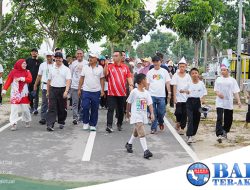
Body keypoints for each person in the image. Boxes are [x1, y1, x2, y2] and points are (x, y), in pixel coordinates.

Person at [125, 73, 154, 159]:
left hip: (143, 115)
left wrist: (152, 113)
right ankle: (146, 151)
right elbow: (129, 103)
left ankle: (129, 144)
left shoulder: (146, 93)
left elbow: (150, 104)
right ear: (141, 81)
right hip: (136, 115)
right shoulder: (134, 92)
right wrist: (127, 113)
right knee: (141, 131)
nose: (147, 81)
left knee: (136, 131)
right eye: (145, 79)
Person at [104, 51, 134, 133]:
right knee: (110, 109)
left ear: (121, 57)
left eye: (116, 56)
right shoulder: (110, 66)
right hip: (111, 93)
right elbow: (105, 74)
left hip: (122, 93)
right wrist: (106, 65)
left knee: (121, 110)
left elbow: (129, 78)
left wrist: (131, 87)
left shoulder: (125, 67)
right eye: (113, 56)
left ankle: (119, 124)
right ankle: (109, 125)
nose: (114, 57)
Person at [1, 59, 32, 131]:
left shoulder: (27, 72)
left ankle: (27, 120)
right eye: (23, 64)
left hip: (23, 93)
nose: (25, 65)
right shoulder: (13, 72)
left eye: (25, 64)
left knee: (25, 109)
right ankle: (13, 124)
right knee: (14, 109)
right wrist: (4, 90)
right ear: (19, 64)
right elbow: (8, 81)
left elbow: (30, 79)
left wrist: (21, 78)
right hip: (15, 94)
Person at [214, 64, 241, 143]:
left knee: (228, 119)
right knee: (219, 117)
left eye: (224, 70)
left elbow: (235, 91)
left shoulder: (232, 80)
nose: (222, 72)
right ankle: (219, 134)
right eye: (221, 70)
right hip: (219, 102)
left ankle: (225, 131)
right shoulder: (218, 79)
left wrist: (238, 101)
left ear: (228, 71)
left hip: (228, 102)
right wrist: (218, 93)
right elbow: (215, 89)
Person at [78, 53, 105, 131]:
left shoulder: (100, 68)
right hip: (86, 90)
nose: (90, 59)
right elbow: (81, 78)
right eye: (89, 57)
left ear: (96, 59)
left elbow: (102, 79)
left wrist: (102, 90)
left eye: (92, 57)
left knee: (95, 108)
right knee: (85, 107)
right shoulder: (85, 67)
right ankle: (85, 122)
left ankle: (93, 124)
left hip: (96, 91)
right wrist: (79, 89)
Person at [46, 52, 71, 131]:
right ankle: (50, 124)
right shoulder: (51, 68)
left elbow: (68, 80)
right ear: (55, 59)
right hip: (53, 89)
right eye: (56, 58)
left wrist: (66, 91)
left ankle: (61, 121)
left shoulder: (66, 69)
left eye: (59, 58)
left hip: (62, 89)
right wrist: (48, 91)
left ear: (62, 59)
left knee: (61, 108)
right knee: (52, 107)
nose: (58, 59)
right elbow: (49, 81)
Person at [146, 55, 171, 134]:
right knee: (153, 112)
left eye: (157, 61)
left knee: (161, 112)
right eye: (154, 62)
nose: (156, 63)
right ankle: (153, 128)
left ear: (161, 62)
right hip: (151, 95)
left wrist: (169, 92)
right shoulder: (150, 72)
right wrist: (145, 94)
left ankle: (161, 121)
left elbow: (167, 82)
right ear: (153, 63)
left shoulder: (164, 71)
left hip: (161, 95)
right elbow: (147, 84)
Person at [185, 68, 207, 144]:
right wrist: (185, 91)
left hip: (198, 102)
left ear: (198, 74)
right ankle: (189, 136)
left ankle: (193, 134)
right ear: (191, 75)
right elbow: (183, 90)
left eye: (196, 73)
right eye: (193, 73)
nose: (194, 74)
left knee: (196, 119)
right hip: (189, 102)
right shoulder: (188, 83)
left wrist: (203, 99)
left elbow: (204, 92)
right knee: (190, 118)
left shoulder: (201, 83)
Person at [171, 57, 191, 135]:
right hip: (178, 97)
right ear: (178, 67)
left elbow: (190, 87)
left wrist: (186, 92)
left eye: (183, 66)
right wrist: (174, 98)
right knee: (178, 112)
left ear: (186, 67)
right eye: (180, 66)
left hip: (186, 98)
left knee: (185, 113)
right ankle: (178, 122)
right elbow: (174, 86)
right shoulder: (176, 75)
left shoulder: (188, 76)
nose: (182, 68)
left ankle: (182, 128)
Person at [33, 51, 54, 125]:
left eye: (50, 56)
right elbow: (39, 76)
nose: (49, 57)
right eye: (47, 56)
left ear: (53, 56)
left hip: (54, 86)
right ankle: (43, 118)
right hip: (45, 86)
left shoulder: (55, 65)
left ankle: (52, 117)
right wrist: (35, 84)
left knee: (52, 103)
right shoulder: (42, 65)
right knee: (44, 102)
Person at [70, 49, 88, 125]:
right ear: (76, 54)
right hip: (74, 86)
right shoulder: (73, 64)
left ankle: (81, 117)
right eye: (78, 54)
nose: (79, 55)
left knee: (83, 103)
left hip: (85, 87)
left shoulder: (87, 63)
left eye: (81, 53)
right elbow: (70, 75)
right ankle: (75, 118)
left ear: (83, 54)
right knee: (75, 103)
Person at [26, 48, 42, 115]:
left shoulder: (39, 60)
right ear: (31, 53)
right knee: (30, 95)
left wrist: (37, 60)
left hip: (37, 80)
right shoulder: (28, 60)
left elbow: (40, 69)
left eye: (35, 52)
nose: (34, 53)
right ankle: (31, 107)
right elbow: (25, 69)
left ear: (37, 53)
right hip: (29, 81)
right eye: (32, 52)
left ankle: (35, 108)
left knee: (36, 95)